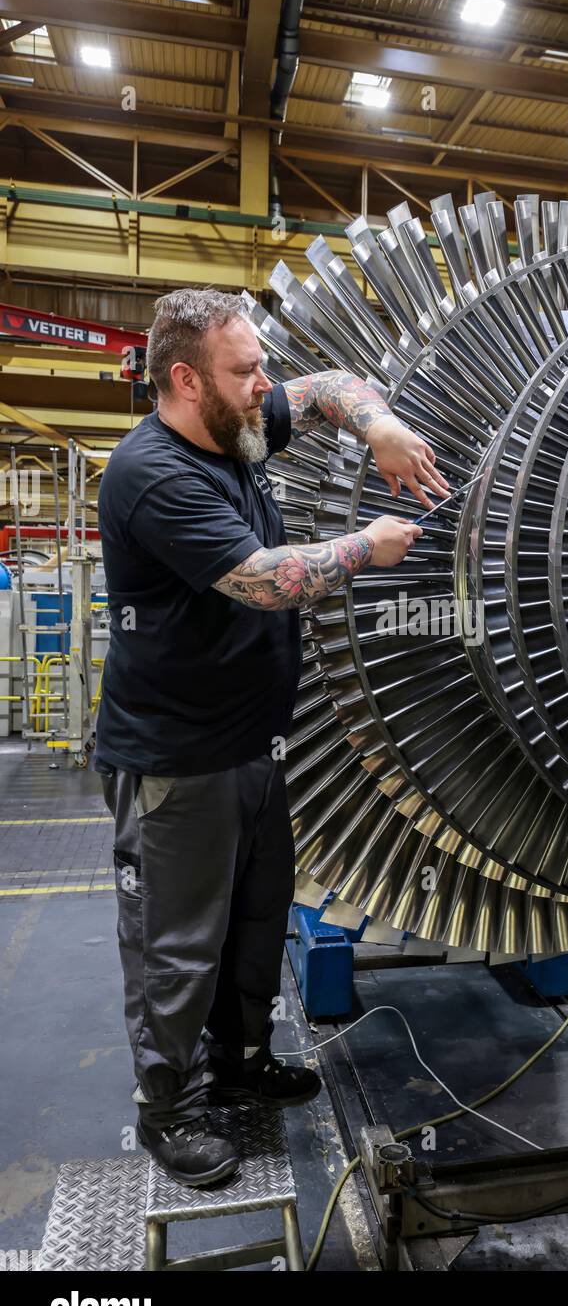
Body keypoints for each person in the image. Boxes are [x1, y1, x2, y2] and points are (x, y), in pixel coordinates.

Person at [95, 288, 448, 1186]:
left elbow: (329, 384)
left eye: (261, 367)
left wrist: (382, 427)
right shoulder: (151, 473)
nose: (266, 386)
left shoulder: (237, 426)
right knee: (177, 944)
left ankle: (243, 1062)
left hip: (255, 746)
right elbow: (265, 581)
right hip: (176, 760)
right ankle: (169, 1110)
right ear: (185, 380)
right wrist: (366, 546)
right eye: (245, 371)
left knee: (255, 924)